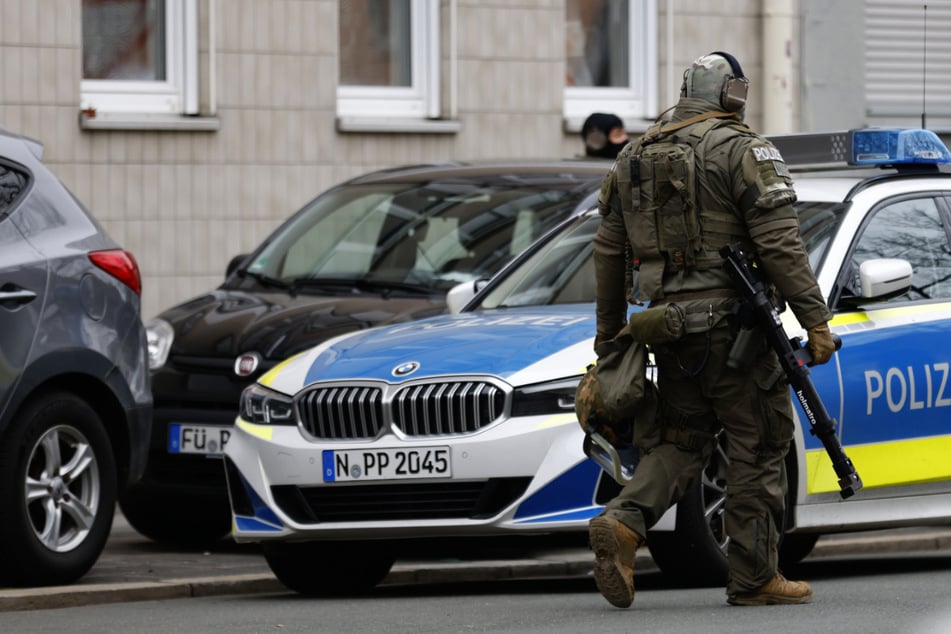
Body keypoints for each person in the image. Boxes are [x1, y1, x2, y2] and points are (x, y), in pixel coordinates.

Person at [588, 52, 836, 608]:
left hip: (666, 330)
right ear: (732, 94)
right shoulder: (743, 149)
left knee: (682, 440)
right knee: (759, 443)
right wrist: (816, 320)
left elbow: (607, 254)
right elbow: (780, 243)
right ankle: (754, 577)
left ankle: (623, 521)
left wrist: (609, 341)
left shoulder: (632, 156)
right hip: (734, 331)